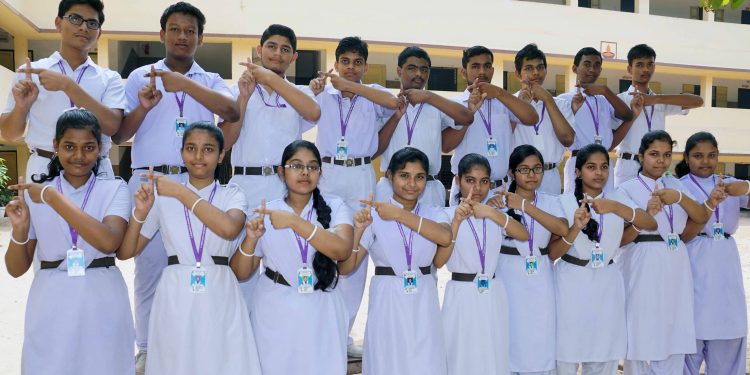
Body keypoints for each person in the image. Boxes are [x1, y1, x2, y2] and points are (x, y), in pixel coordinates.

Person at [113, 3, 240, 369]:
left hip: (193, 181)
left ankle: (191, 339)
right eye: (175, 29)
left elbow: (231, 112)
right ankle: (148, 347)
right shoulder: (140, 76)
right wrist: (144, 106)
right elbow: (121, 132)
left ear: (201, 38)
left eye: (190, 30)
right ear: (162, 34)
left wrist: (183, 84)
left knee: (190, 259)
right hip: (150, 178)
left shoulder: (211, 79)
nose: (182, 36)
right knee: (150, 266)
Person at [118, 122, 261, 374]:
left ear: (221, 155)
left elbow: (229, 228)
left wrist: (180, 193)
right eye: (191, 148)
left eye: (207, 149)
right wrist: (140, 214)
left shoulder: (232, 194)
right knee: (177, 361)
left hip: (220, 287)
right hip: (176, 289)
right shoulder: (161, 196)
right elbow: (126, 252)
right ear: (181, 152)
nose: (198, 156)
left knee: (222, 360)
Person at [4, 109, 133, 374]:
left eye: (88, 147)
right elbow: (16, 269)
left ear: (100, 148)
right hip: (52, 298)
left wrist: (53, 198)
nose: (78, 156)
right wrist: (19, 231)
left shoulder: (114, 189)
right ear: (55, 146)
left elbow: (108, 242)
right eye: (69, 146)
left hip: (102, 296)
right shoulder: (35, 194)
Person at [217, 23, 321, 316]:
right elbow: (226, 140)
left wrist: (271, 80)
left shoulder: (298, 94)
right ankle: (240, 339)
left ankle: (272, 328)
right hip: (245, 186)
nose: (277, 54)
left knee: (281, 260)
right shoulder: (236, 90)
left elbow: (314, 113)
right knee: (241, 262)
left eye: (285, 49)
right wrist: (244, 97)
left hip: (284, 189)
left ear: (294, 57)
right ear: (259, 50)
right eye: (271, 47)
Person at [307, 36, 398, 357]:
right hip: (329, 176)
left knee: (356, 254)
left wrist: (354, 86)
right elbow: (304, 110)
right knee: (325, 251)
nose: (351, 67)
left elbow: (394, 104)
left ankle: (343, 336)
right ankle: (321, 331)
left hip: (361, 176)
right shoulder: (323, 93)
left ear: (366, 66)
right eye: (345, 61)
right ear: (336, 62)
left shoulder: (372, 95)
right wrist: (324, 86)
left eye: (358, 62)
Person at [236, 140, 353, 374]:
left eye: (312, 167)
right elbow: (241, 272)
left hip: (322, 306)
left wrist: (293, 221)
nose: (304, 172)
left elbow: (341, 250)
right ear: (281, 172)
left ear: (321, 172)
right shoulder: (266, 211)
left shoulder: (335, 205)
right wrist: (250, 238)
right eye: (296, 166)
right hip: (274, 308)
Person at [340, 147, 453, 375]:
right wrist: (359, 232)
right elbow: (346, 268)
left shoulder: (435, 213)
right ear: (389, 176)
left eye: (419, 177)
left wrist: (400, 214)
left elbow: (444, 236)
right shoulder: (373, 216)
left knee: (426, 360)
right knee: (388, 360)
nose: (412, 184)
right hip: (387, 297)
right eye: (404, 175)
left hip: (423, 295)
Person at [547, 143, 656, 375]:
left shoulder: (618, 198)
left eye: (604, 167)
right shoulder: (563, 202)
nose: (599, 173)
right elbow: (552, 251)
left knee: (603, 354)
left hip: (606, 282)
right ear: (577, 172)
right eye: (591, 167)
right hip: (571, 283)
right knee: (566, 354)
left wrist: (616, 208)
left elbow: (649, 223)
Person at [616, 130, 714, 374]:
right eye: (654, 154)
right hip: (642, 260)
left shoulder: (676, 185)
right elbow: (620, 239)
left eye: (667, 155)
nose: (660, 160)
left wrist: (679, 197)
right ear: (640, 156)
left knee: (674, 325)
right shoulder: (626, 189)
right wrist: (646, 214)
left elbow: (701, 216)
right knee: (640, 326)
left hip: (675, 259)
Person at [1, 0, 124, 180]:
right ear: (58, 23)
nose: (83, 27)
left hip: (96, 170)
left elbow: (112, 126)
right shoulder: (30, 73)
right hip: (44, 168)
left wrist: (68, 85)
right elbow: (9, 134)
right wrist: (21, 107)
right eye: (75, 19)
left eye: (92, 23)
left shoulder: (109, 78)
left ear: (99, 33)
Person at [436, 153, 528, 375]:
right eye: (470, 180)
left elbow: (523, 235)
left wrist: (493, 214)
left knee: (493, 355)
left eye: (484, 181)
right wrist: (457, 222)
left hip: (493, 293)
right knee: (462, 356)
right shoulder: (444, 214)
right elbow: (439, 261)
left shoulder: (494, 214)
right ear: (458, 181)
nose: (477, 188)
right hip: (462, 294)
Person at [491, 145, 570, 374]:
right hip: (508, 274)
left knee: (539, 334)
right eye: (524, 169)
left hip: (541, 276)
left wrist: (523, 205)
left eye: (537, 169)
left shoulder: (550, 201)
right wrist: (510, 204)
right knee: (509, 333)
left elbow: (562, 228)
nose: (532, 175)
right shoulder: (498, 202)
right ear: (511, 173)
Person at [675, 132, 749, 375]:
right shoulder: (678, 187)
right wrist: (709, 205)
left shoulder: (729, 183)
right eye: (697, 156)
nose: (705, 161)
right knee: (690, 329)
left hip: (725, 257)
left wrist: (746, 186)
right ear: (686, 158)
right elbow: (681, 233)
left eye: (711, 155)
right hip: (692, 255)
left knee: (727, 326)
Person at [374, 46, 475, 206]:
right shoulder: (386, 104)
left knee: (432, 230)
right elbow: (375, 149)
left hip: (429, 188)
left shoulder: (436, 104)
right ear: (399, 71)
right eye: (412, 68)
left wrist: (428, 96)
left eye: (424, 70)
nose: (419, 74)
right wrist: (395, 117)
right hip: (390, 187)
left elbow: (467, 118)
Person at [443, 45, 538, 204]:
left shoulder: (503, 101)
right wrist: (468, 113)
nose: (482, 71)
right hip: (469, 191)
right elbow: (446, 146)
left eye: (487, 66)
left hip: (500, 190)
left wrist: (500, 93)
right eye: (475, 66)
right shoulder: (456, 104)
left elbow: (531, 118)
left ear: (492, 71)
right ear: (463, 72)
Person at [611, 44, 704, 187]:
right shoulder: (620, 100)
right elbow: (611, 143)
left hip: (656, 168)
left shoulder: (661, 101)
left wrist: (656, 99)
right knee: (626, 208)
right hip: (629, 167)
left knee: (656, 208)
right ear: (629, 69)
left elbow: (698, 101)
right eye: (640, 65)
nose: (645, 69)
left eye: (650, 65)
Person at [557, 47, 632, 194]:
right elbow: (560, 133)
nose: (592, 69)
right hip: (579, 161)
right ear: (574, 68)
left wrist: (606, 91)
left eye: (597, 65)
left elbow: (627, 116)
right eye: (587, 64)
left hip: (604, 163)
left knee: (604, 209)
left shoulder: (604, 99)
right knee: (577, 209)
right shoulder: (564, 100)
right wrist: (572, 109)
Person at [511, 44, 576, 195]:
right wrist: (520, 106)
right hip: (520, 177)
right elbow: (502, 140)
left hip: (550, 175)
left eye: (540, 67)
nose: (535, 73)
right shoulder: (509, 102)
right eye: (528, 68)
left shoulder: (560, 104)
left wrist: (547, 98)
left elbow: (568, 140)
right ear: (518, 74)